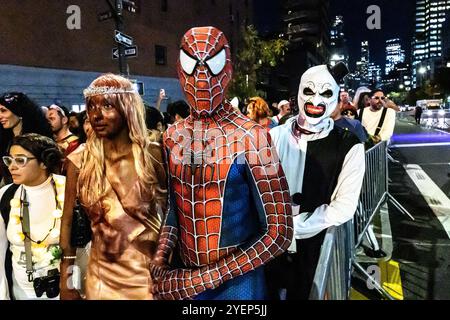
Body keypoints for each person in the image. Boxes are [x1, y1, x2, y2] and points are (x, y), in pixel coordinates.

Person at [151, 26, 293, 300]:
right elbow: (175, 206)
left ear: (227, 69)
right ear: (180, 70)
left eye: (212, 64)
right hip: (186, 278)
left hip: (239, 283)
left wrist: (200, 279)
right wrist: (161, 255)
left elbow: (280, 232)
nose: (201, 77)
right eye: (191, 64)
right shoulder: (172, 136)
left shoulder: (253, 136)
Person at [59, 73, 167, 300]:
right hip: (101, 276)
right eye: (91, 106)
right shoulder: (80, 160)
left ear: (126, 108)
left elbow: (174, 216)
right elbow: (67, 223)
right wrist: (68, 281)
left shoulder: (153, 154)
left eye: (107, 105)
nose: (96, 115)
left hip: (148, 276)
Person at [269, 63, 365, 300]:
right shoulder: (274, 136)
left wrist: (294, 228)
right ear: (299, 93)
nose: (316, 100)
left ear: (336, 98)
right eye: (309, 91)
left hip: (315, 250)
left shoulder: (349, 145)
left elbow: (343, 206)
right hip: (268, 249)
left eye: (326, 93)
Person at [0, 133, 64, 300]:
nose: (11, 167)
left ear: (44, 162)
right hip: (22, 291)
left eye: (20, 160)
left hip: (67, 289)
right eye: (9, 160)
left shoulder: (69, 190)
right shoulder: (6, 195)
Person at [0, 92, 52, 185]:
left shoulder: (39, 140)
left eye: (3, 111)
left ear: (18, 111)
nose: (0, 116)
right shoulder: (4, 139)